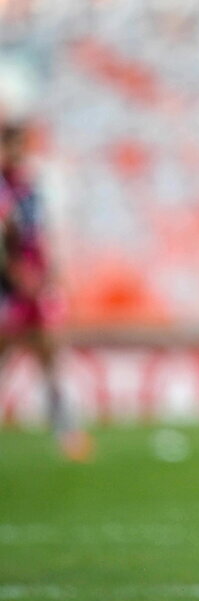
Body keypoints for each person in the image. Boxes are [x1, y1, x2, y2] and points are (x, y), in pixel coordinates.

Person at [0, 120, 93, 461]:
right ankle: (66, 431)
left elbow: (38, 235)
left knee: (50, 355)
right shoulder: (5, 189)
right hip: (9, 287)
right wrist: (15, 273)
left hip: (33, 283)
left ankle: (66, 432)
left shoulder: (29, 187)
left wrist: (49, 272)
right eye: (14, 146)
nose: (20, 153)